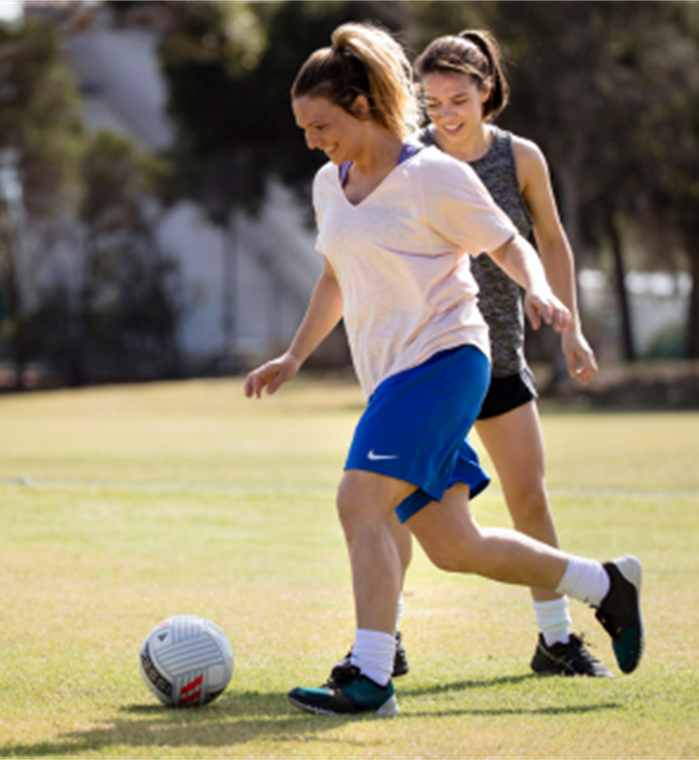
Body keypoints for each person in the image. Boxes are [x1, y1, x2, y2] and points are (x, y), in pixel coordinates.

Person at [243, 21, 643, 717]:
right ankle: (606, 586)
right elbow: (336, 277)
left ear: (363, 107)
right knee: (455, 545)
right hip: (392, 379)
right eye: (303, 127)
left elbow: (511, 242)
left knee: (358, 499)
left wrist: (541, 291)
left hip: (447, 359)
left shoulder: (433, 176)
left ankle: (370, 676)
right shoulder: (328, 185)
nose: (311, 138)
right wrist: (294, 355)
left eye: (321, 123)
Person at [374, 30, 608, 678]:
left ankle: (555, 641)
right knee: (398, 503)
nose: (445, 115)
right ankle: (380, 643)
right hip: (427, 361)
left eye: (458, 99)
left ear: (485, 92)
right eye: (433, 103)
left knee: (528, 496)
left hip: (499, 356)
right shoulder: (410, 161)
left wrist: (571, 326)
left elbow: (551, 242)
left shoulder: (521, 158)